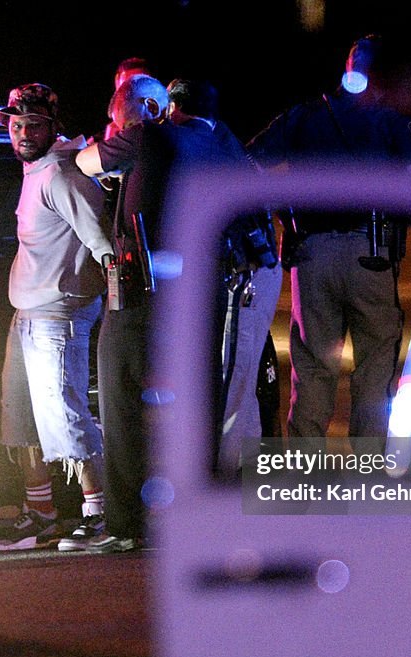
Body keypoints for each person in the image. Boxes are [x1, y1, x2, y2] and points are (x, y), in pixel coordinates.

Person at [75, 74, 241, 552]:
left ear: (147, 109)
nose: (116, 128)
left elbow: (87, 162)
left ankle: (127, 525)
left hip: (142, 291)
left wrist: (114, 144)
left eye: (117, 119)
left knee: (120, 396)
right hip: (201, 288)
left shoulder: (148, 134)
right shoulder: (212, 140)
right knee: (198, 402)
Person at [247, 34, 411, 448]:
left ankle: (300, 488)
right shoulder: (391, 120)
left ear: (346, 70)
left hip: (310, 256)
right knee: (375, 371)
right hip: (373, 255)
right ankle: (368, 483)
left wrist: (281, 207)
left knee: (311, 372)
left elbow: (247, 163)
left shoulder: (304, 116)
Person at [0, 83, 113, 551]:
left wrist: (113, 292)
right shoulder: (35, 169)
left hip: (59, 314)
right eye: (15, 125)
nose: (21, 133)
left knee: (64, 415)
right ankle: (41, 515)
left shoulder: (60, 174)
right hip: (27, 314)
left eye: (32, 125)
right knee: (21, 421)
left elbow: (103, 243)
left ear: (52, 127)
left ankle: (99, 516)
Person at [166, 77, 283, 478]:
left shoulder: (196, 142)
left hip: (245, 274)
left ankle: (226, 480)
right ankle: (247, 477)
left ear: (175, 108)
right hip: (259, 269)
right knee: (242, 380)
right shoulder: (223, 139)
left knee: (232, 380)